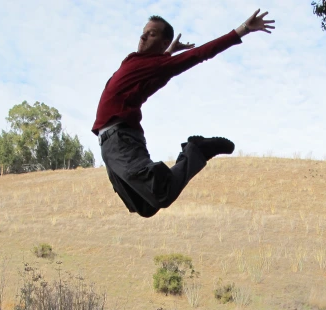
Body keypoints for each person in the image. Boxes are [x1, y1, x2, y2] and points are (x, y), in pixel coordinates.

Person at [92, 9, 275, 218]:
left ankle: (196, 150)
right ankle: (192, 152)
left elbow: (200, 54)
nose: (143, 37)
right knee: (145, 207)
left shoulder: (155, 66)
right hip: (109, 144)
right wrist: (169, 51)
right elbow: (154, 66)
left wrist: (241, 30)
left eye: (151, 34)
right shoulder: (136, 62)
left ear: (161, 42)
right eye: (144, 32)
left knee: (161, 193)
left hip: (120, 138)